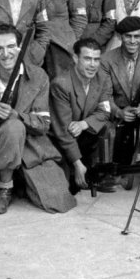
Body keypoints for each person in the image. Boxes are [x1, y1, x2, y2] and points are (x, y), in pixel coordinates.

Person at [0, 24, 75, 214]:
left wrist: (17, 116)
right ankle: (5, 188)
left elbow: (43, 124)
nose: (6, 54)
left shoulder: (38, 76)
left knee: (58, 200)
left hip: (30, 149)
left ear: (20, 48)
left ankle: (14, 184)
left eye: (11, 47)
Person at [49, 38, 112, 192]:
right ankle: (75, 169)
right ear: (76, 58)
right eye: (87, 59)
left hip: (82, 134)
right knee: (65, 190)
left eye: (96, 59)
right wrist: (77, 164)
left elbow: (105, 111)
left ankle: (98, 175)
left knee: (107, 128)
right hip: (62, 141)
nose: (93, 65)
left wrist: (83, 124)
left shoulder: (102, 78)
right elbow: (63, 131)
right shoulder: (61, 84)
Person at [100, 17, 140, 164]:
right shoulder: (106, 60)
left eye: (137, 36)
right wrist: (118, 112)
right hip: (116, 113)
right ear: (120, 37)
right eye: (128, 36)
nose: (133, 41)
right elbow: (104, 94)